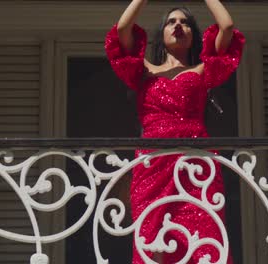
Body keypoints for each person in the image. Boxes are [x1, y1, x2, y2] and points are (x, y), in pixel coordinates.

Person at [105, 1, 245, 263]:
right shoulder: (143, 72)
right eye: (171, 22)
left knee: (204, 242)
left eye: (185, 23)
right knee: (152, 242)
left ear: (193, 35)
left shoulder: (203, 70)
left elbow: (226, 26)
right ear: (162, 34)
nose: (178, 26)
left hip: (196, 166)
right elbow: (123, 28)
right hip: (153, 165)